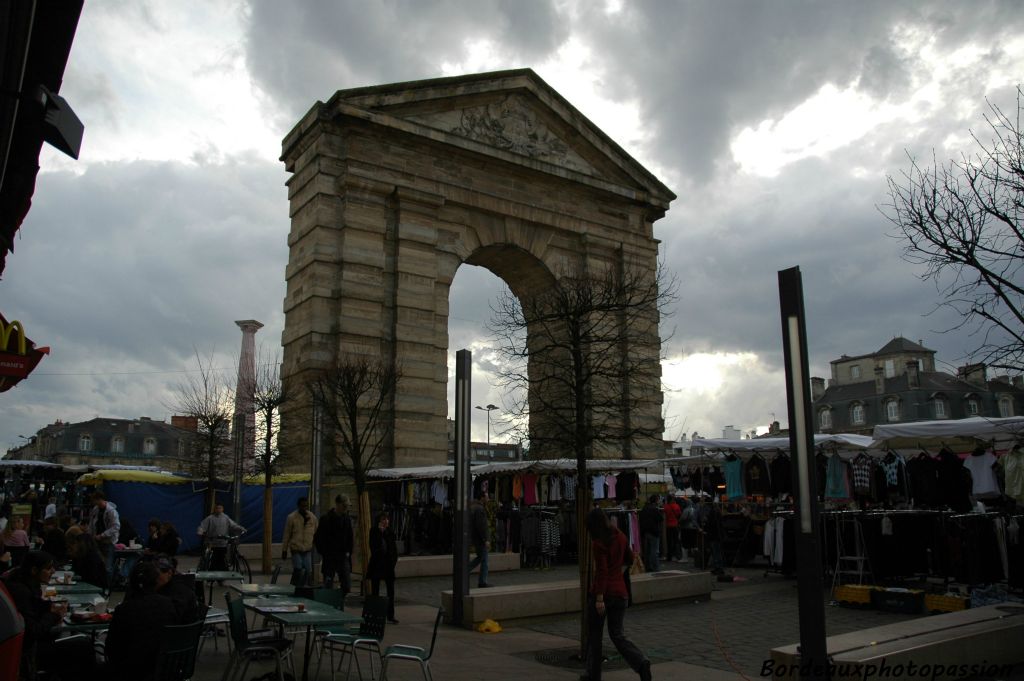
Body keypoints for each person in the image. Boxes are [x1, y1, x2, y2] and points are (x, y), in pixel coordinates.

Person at [584, 508, 652, 681]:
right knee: (618, 635)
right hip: (621, 593)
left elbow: (602, 571)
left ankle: (593, 675)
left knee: (595, 637)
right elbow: (630, 558)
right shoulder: (621, 536)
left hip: (604, 594)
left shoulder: (599, 543)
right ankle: (641, 662)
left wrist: (599, 598)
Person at [104, 561, 179, 681]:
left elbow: (111, 647)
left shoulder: (124, 609)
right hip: (162, 666)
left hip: (131, 669)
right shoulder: (167, 604)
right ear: (156, 581)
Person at [0, 551, 68, 679]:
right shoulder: (22, 592)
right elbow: (33, 631)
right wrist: (55, 615)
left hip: (23, 649)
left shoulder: (20, 581)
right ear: (34, 570)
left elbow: (32, 606)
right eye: (48, 568)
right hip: (27, 652)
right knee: (80, 647)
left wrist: (48, 607)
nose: (53, 571)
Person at [314, 495, 354, 594]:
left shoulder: (347, 519)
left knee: (346, 585)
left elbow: (350, 537)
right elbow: (318, 538)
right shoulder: (326, 519)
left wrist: (348, 551)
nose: (346, 508)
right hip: (330, 556)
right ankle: (329, 604)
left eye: (347, 506)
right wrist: (324, 552)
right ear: (338, 504)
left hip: (342, 556)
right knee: (328, 584)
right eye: (344, 506)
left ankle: (339, 601)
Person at [367, 512, 399, 624]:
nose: (386, 522)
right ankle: (374, 614)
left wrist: (393, 561)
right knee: (375, 591)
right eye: (383, 520)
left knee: (391, 591)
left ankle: (390, 615)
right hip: (377, 565)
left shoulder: (390, 532)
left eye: (387, 519)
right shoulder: (374, 531)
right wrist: (381, 534)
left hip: (388, 565)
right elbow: (374, 547)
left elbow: (393, 549)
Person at [282, 497, 318, 587]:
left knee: (308, 570)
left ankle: (304, 588)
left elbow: (317, 531)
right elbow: (287, 534)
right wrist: (284, 550)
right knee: (298, 569)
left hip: (307, 549)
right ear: (298, 506)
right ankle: (294, 586)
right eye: (302, 506)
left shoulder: (312, 517)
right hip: (296, 548)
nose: (304, 508)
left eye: (306, 506)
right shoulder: (291, 517)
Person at [154, 555, 201, 624]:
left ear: (169, 573)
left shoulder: (179, 590)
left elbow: (172, 616)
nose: (153, 577)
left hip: (178, 631)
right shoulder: (167, 585)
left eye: (156, 574)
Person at [197, 503, 244, 571]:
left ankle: (222, 574)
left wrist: (241, 528)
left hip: (223, 543)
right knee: (213, 559)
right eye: (217, 508)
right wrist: (200, 531)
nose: (218, 510)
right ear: (214, 509)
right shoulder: (210, 518)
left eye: (220, 508)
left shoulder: (226, 518)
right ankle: (211, 573)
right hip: (212, 542)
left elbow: (233, 525)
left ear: (222, 509)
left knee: (222, 558)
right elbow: (202, 526)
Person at [88, 491, 121, 582]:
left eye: (94, 500)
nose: (93, 502)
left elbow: (116, 526)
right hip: (97, 540)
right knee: (98, 564)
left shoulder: (111, 511)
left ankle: (108, 587)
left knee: (108, 566)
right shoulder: (96, 509)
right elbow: (92, 523)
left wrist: (103, 535)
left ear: (99, 499)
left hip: (108, 541)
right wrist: (90, 534)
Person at [467, 492, 492, 588]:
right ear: (482, 498)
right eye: (487, 497)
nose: (488, 499)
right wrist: (486, 539)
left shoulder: (473, 507)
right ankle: (482, 582)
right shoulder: (480, 509)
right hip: (480, 539)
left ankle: (466, 570)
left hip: (475, 538)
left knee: (480, 558)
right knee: (484, 560)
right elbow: (481, 526)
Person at [638, 495, 663, 573]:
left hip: (645, 532)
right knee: (654, 551)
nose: (659, 501)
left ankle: (648, 567)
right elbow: (661, 518)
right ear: (656, 500)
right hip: (654, 532)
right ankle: (655, 568)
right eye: (658, 500)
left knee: (648, 551)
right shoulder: (654, 509)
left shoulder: (644, 508)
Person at [662, 495, 682, 562]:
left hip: (668, 526)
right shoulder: (676, 506)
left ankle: (669, 557)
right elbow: (679, 515)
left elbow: (664, 514)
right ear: (672, 499)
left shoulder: (665, 507)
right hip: (675, 525)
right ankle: (678, 556)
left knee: (669, 542)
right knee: (676, 541)